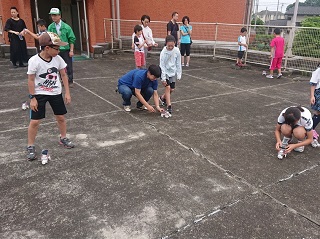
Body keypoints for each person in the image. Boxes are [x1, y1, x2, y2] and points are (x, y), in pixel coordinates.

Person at [26, 32, 75, 161]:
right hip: (40, 94)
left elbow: (64, 75)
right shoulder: (34, 61)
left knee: (60, 117)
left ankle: (63, 137)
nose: (58, 51)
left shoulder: (58, 59)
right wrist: (32, 98)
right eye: (56, 48)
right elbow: (31, 80)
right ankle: (30, 146)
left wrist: (67, 93)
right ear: (47, 48)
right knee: (35, 121)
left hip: (55, 93)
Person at [47, 8, 76, 87]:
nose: (53, 17)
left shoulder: (66, 27)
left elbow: (72, 39)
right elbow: (49, 39)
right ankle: (62, 80)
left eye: (55, 15)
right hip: (56, 50)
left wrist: (71, 50)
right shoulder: (50, 27)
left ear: (59, 16)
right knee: (58, 66)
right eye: (52, 15)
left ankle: (70, 81)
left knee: (68, 66)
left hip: (65, 50)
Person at [159, 35, 182, 114]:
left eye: (172, 46)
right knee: (168, 88)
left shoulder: (176, 50)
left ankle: (162, 97)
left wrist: (179, 73)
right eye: (169, 46)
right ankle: (169, 106)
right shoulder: (163, 52)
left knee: (172, 89)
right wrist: (163, 78)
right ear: (166, 44)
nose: (170, 47)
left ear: (175, 43)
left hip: (172, 72)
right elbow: (162, 65)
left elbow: (178, 62)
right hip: (165, 72)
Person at [309, 63, 320, 147]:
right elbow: (313, 83)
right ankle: (310, 131)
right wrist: (312, 96)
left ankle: (310, 131)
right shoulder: (318, 70)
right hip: (318, 93)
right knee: (318, 112)